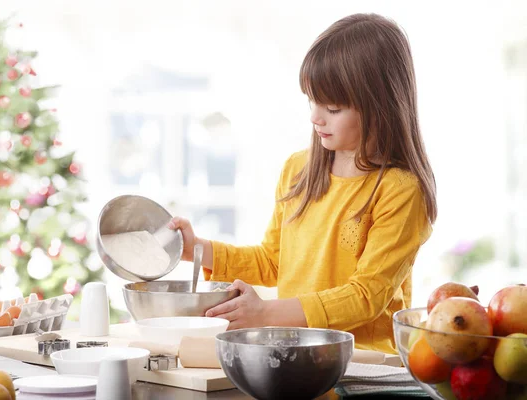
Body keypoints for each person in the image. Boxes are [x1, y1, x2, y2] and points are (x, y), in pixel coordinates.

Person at [168, 13, 436, 354]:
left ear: (380, 107)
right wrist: (196, 250)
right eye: (312, 100)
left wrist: (265, 313)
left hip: (362, 370)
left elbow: (366, 296)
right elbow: (272, 261)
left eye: (333, 108)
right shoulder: (299, 169)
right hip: (295, 356)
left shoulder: (400, 190)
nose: (315, 117)